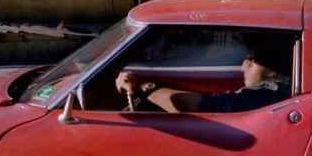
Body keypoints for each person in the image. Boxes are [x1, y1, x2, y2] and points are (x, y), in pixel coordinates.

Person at [115, 36, 292, 113]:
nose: (243, 66)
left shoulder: (263, 95)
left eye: (252, 60)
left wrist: (141, 88)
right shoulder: (283, 91)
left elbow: (189, 105)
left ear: (272, 70)